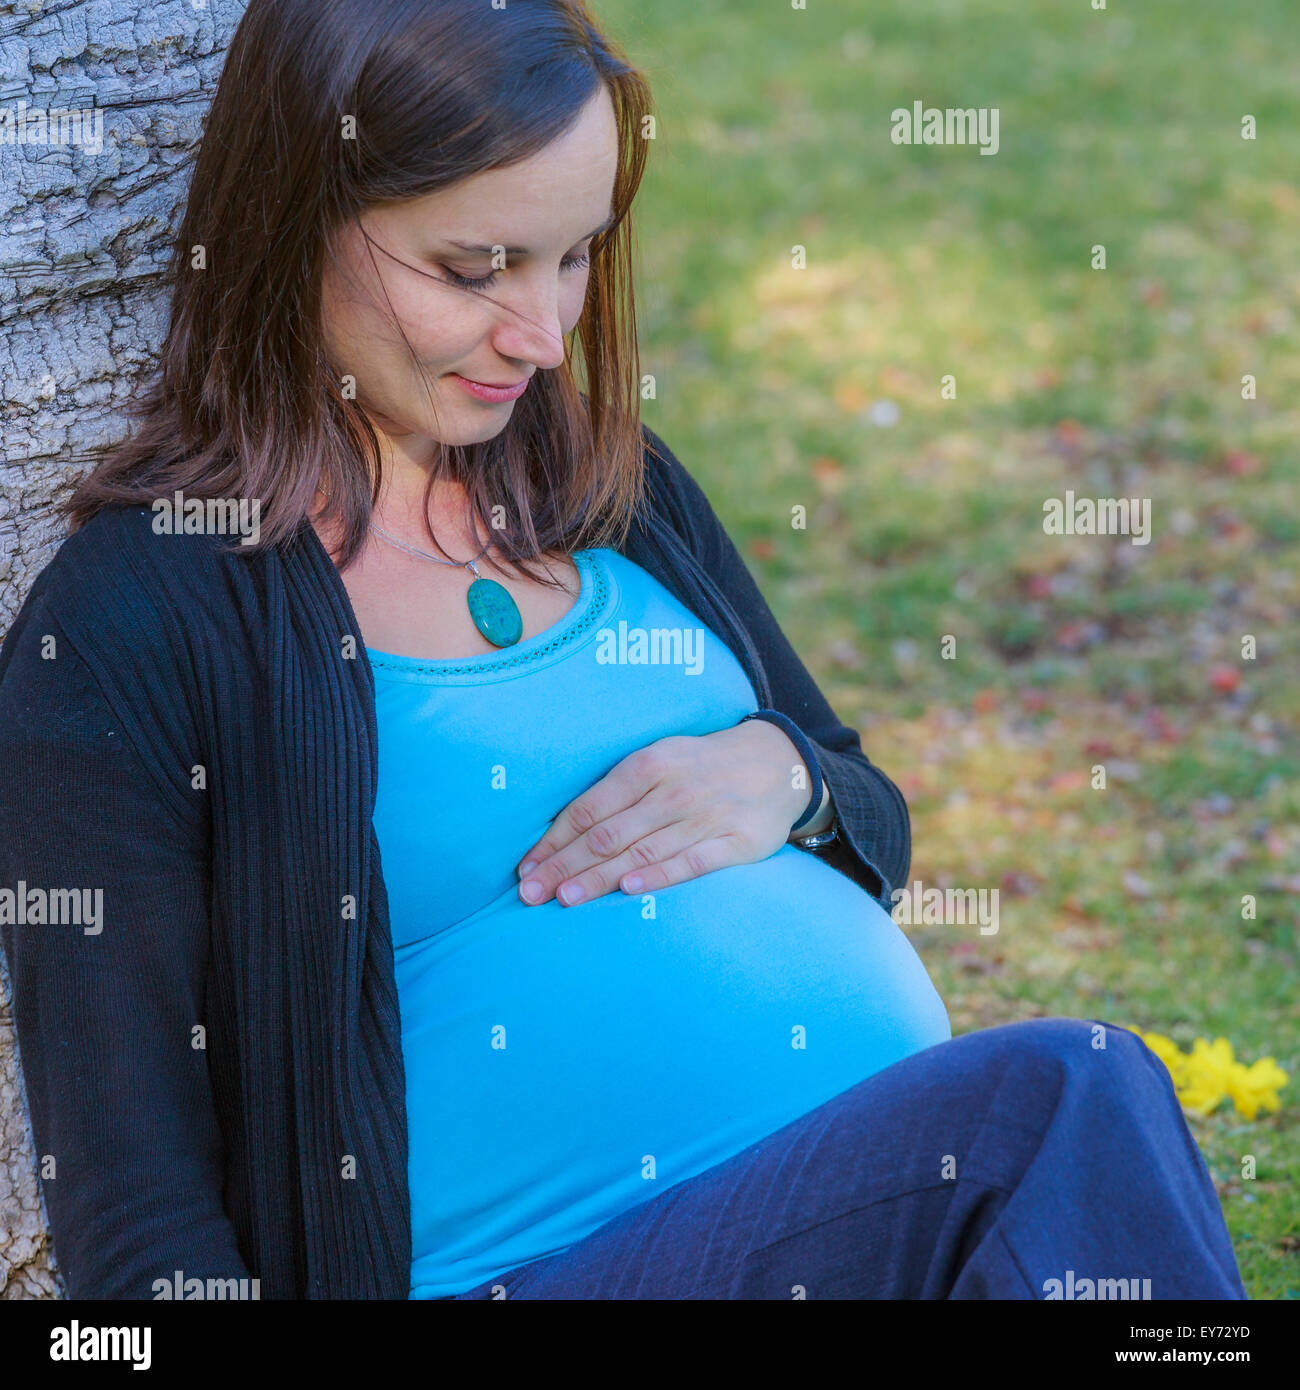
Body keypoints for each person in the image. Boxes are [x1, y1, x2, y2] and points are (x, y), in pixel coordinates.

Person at [0, 0, 1245, 1300]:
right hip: (524, 1270)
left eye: (574, 256)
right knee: (1058, 1106)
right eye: (475, 266)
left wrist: (785, 776)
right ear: (293, 216)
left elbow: (865, 802)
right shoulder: (138, 618)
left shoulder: (612, 487)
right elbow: (135, 1221)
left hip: (843, 1227)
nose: (542, 335)